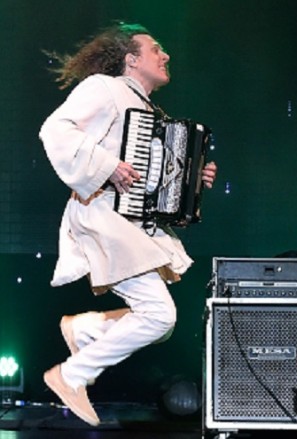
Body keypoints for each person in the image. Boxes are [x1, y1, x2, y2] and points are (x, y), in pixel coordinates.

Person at [39, 22, 218, 426]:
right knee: (159, 316)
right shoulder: (103, 87)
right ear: (131, 59)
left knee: (158, 323)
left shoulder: (150, 108)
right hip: (103, 216)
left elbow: (156, 176)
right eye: (156, 49)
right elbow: (55, 130)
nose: (166, 55)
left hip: (133, 222)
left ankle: (85, 330)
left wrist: (194, 179)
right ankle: (71, 374)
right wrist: (106, 167)